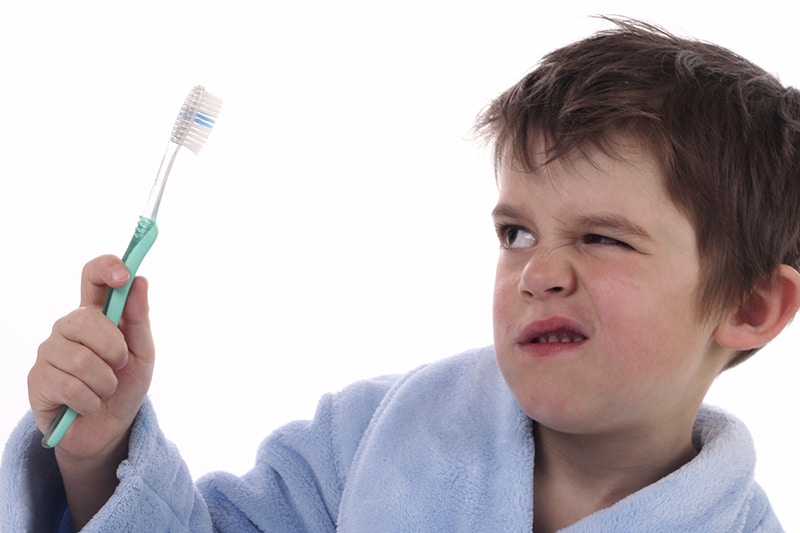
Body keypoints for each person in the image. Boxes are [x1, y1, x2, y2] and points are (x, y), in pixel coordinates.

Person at [3, 17, 800, 532]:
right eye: (516, 231)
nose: (538, 272)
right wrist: (98, 454)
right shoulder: (370, 439)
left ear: (752, 304)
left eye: (603, 238)